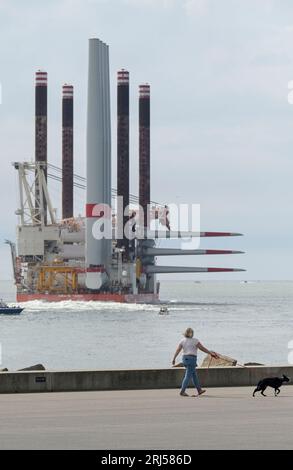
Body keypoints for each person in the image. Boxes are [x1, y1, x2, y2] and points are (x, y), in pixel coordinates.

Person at [172, 327, 219, 397]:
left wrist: (174, 358)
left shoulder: (182, 341)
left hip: (184, 359)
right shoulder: (195, 341)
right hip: (192, 359)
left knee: (194, 375)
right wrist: (210, 353)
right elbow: (202, 348)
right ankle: (182, 391)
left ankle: (199, 390)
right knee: (188, 376)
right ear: (192, 333)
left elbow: (178, 350)